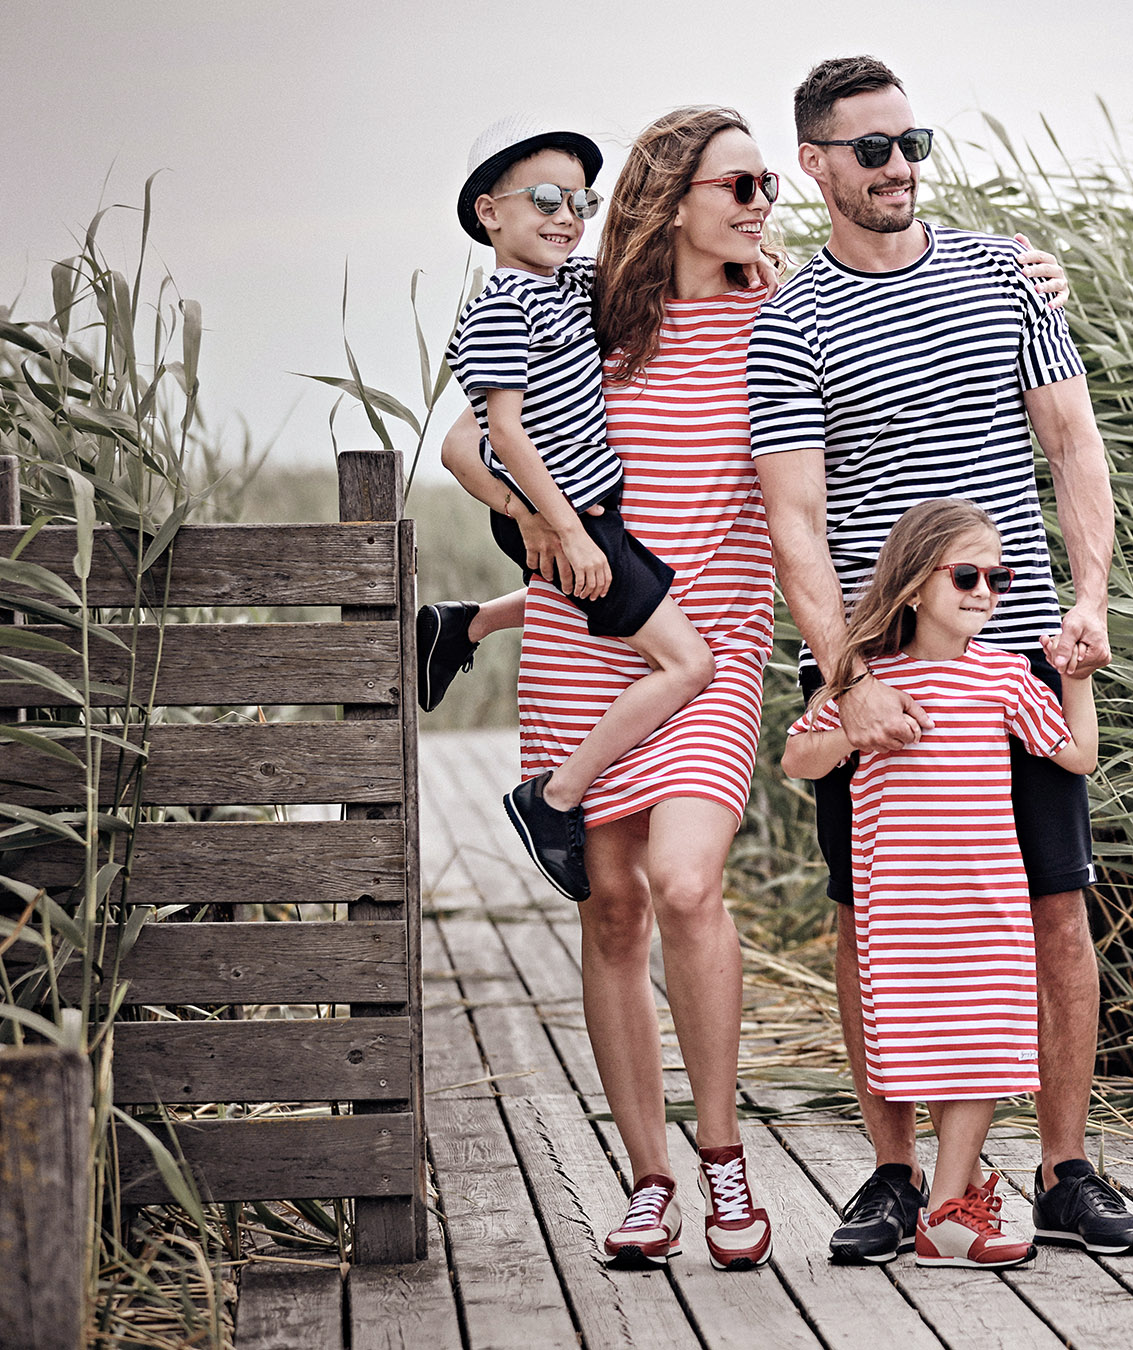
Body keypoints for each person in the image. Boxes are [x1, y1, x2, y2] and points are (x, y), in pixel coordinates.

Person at [748, 55, 1133, 1262]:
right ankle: (895, 1178)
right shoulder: (792, 320)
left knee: (1056, 908)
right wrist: (849, 680)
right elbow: (795, 527)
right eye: (872, 149)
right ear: (816, 163)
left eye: (912, 143)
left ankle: (1064, 1172)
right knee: (867, 917)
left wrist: (1088, 600)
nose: (900, 168)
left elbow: (1073, 445)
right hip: (875, 673)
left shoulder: (1004, 274)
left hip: (1015, 653)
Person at [437, 108, 784, 1271]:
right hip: (585, 639)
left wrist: (1026, 270)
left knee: (686, 883)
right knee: (614, 908)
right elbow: (468, 445)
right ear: (673, 198)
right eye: (738, 184)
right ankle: (648, 1182)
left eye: (768, 184)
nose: (759, 204)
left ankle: (724, 1156)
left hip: (711, 646)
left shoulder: (783, 313)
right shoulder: (595, 314)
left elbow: (898, 288)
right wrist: (538, 523)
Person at [784, 500, 1098, 1269]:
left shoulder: (1005, 676)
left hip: (991, 905)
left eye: (999, 577)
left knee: (986, 1044)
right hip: (901, 910)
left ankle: (948, 1208)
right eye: (966, 576)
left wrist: (1076, 679)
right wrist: (853, 725)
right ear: (915, 584)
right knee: (924, 1041)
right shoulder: (866, 682)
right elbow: (797, 759)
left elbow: (1077, 755)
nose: (986, 591)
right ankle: (933, 1197)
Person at [438, 115, 717, 904]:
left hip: (585, 512)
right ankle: (554, 797)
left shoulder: (567, 283)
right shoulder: (502, 306)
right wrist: (560, 527)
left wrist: (759, 259)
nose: (567, 216)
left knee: (605, 597)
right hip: (571, 517)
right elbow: (501, 431)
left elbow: (652, 263)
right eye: (545, 200)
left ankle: (463, 624)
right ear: (490, 212)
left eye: (580, 202)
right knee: (688, 663)